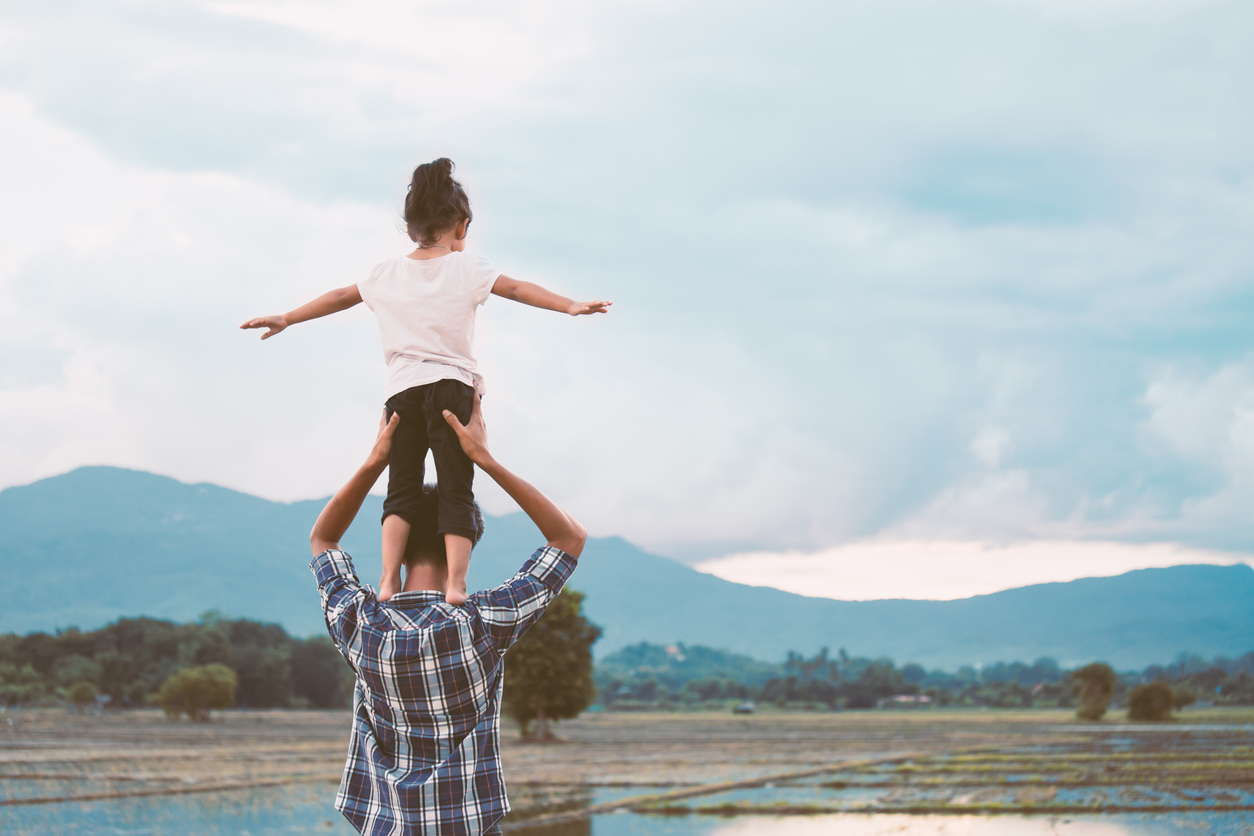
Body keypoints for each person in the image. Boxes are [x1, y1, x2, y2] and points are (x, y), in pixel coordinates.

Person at [243, 157, 609, 605]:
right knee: (456, 487)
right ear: (462, 224)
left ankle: (387, 582)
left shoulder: (382, 273)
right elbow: (516, 289)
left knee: (401, 490)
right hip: (452, 388)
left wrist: (288, 317)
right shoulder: (468, 267)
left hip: (401, 392)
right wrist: (569, 305)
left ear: (411, 226)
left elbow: (340, 296)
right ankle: (455, 585)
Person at [308, 390, 586, 836]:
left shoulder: (360, 624)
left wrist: (378, 461)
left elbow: (323, 541)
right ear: (466, 545)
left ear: (397, 549)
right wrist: (484, 459)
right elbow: (568, 539)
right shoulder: (481, 624)